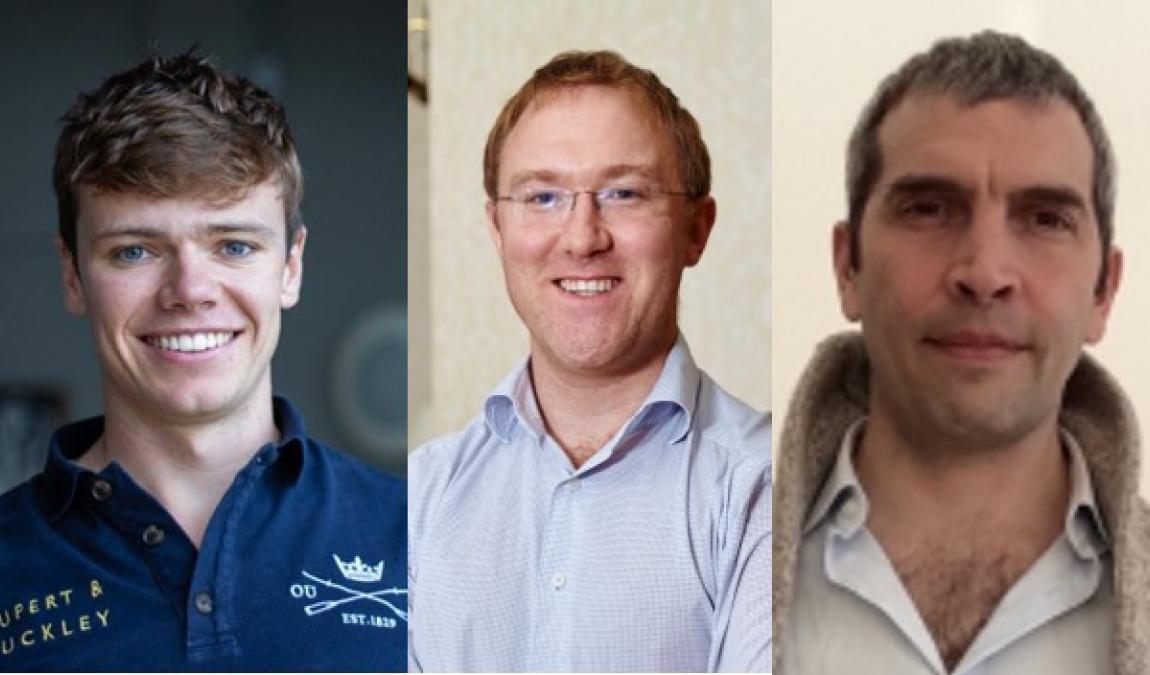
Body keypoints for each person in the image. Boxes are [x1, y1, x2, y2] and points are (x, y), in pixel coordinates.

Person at [0, 52, 406, 671]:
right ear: (72, 274)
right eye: (135, 251)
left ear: (290, 267)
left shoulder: (422, 541)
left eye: (234, 245)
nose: (190, 290)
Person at [773, 31, 1150, 674]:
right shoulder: (704, 572)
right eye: (928, 208)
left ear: (1103, 293)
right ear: (847, 268)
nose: (984, 271)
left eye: (1044, 218)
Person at [409, 50, 771, 672]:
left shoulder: (770, 490)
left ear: (696, 228)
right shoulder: (419, 498)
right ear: (497, 229)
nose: (582, 238)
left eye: (624, 193)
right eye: (542, 196)